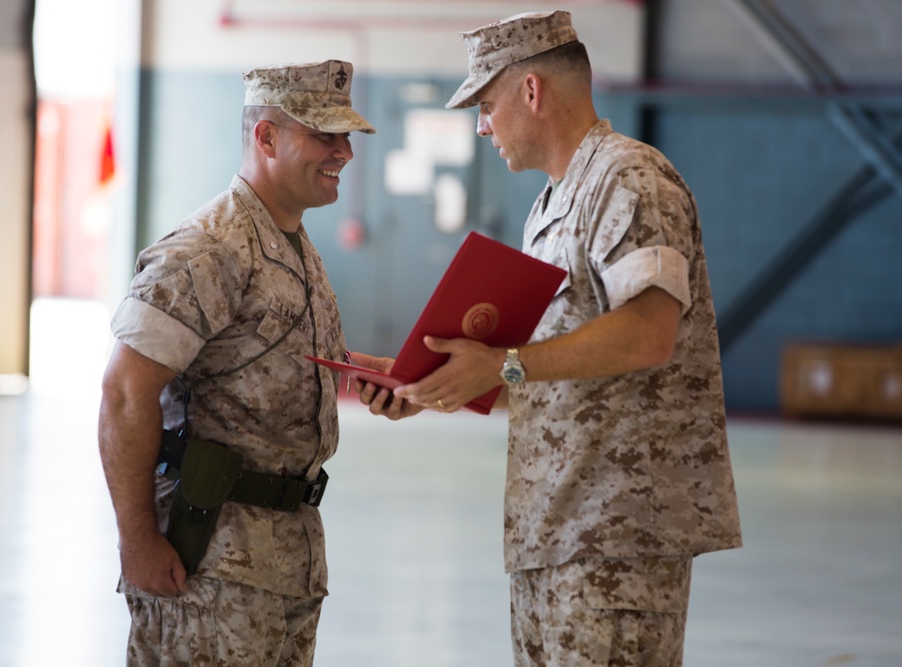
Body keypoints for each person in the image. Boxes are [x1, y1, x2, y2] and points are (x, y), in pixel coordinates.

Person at [353, 11, 742, 666]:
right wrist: (432, 382)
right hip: (555, 536)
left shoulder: (629, 180)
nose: (481, 124)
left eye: (486, 103)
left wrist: (502, 364)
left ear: (531, 91)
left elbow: (649, 334)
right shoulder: (552, 206)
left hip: (617, 539)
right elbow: (548, 374)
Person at [98, 59, 375, 666]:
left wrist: (363, 371)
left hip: (287, 559)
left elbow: (263, 354)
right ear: (266, 137)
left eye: (346, 136)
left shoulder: (293, 245)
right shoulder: (209, 247)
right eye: (323, 135)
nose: (344, 153)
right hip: (211, 564)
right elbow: (125, 390)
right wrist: (137, 539)